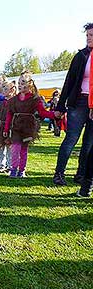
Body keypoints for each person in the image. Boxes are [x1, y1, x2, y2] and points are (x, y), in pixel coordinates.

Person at [53, 23, 93, 186]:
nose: (89, 38)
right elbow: (69, 81)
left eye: (91, 35)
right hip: (79, 102)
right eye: (87, 35)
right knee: (71, 138)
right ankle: (59, 173)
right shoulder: (81, 56)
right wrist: (60, 106)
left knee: (90, 142)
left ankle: (81, 174)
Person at [3, 71, 56, 178]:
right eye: (19, 82)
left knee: (23, 150)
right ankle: (13, 169)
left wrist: (55, 115)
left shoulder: (35, 99)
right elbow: (9, 115)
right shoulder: (14, 100)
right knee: (15, 148)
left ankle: (21, 171)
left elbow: (42, 112)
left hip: (28, 128)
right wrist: (6, 129)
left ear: (30, 84)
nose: (20, 84)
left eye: (23, 82)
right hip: (16, 127)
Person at [0, 81, 16, 173]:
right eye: (3, 88)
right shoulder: (1, 103)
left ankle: (10, 165)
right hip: (1, 127)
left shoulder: (15, 103)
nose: (3, 90)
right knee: (1, 146)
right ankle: (1, 165)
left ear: (12, 90)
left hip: (11, 128)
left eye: (6, 89)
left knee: (9, 147)